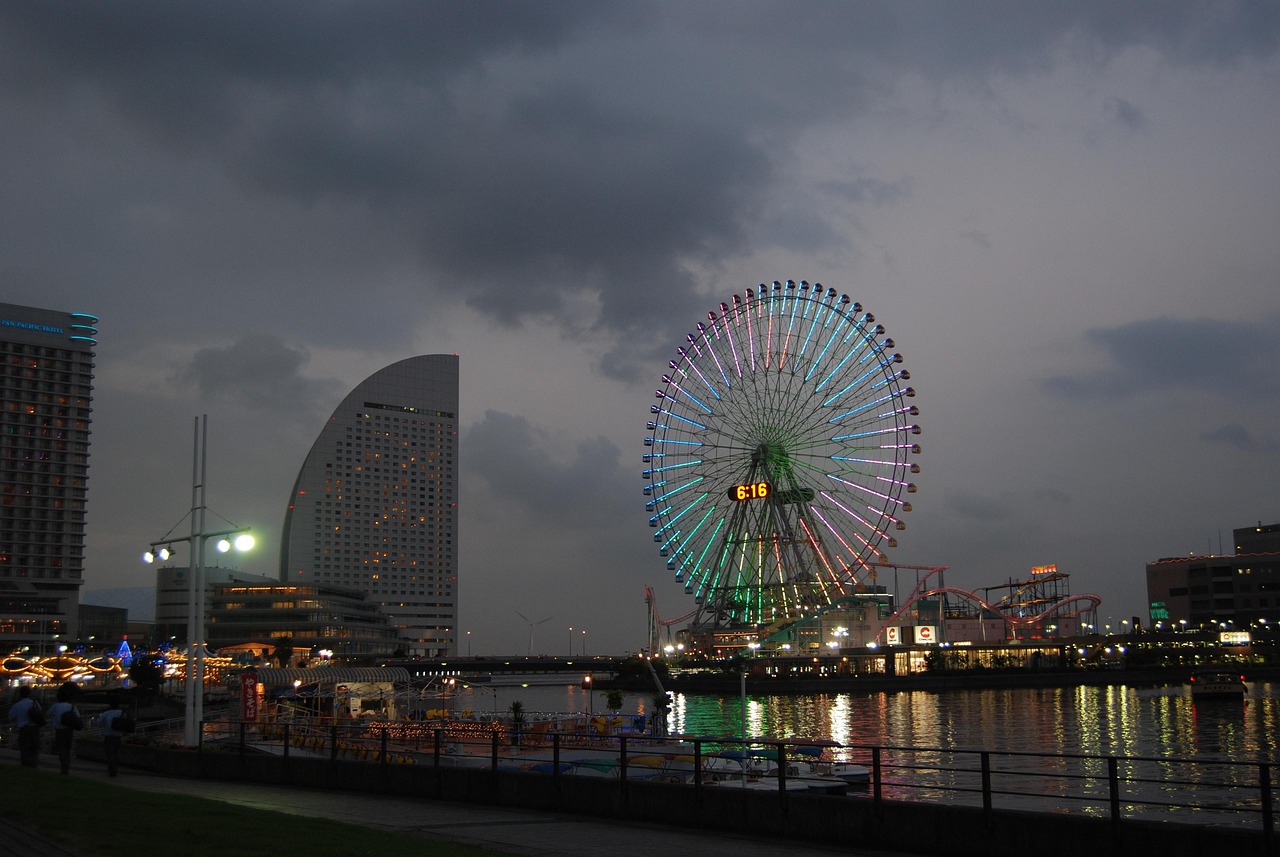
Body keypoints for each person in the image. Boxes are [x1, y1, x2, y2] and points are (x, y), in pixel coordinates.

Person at [45, 681, 83, 774]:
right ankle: (66, 766)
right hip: (69, 730)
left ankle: (64, 766)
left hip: (59, 730)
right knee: (68, 748)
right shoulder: (72, 707)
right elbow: (78, 717)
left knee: (61, 748)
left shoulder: (56, 706)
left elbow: (48, 714)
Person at [7, 686, 43, 767]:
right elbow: (40, 713)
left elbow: (11, 717)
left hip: (24, 729)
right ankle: (34, 766)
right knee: (35, 749)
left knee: (24, 749)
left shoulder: (17, 705)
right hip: (35, 728)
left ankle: (25, 766)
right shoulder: (35, 703)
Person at [96, 695, 129, 777]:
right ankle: (115, 767)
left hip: (109, 736)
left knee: (110, 753)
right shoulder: (122, 713)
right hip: (118, 736)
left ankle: (112, 768)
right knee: (116, 753)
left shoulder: (107, 713)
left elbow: (98, 722)